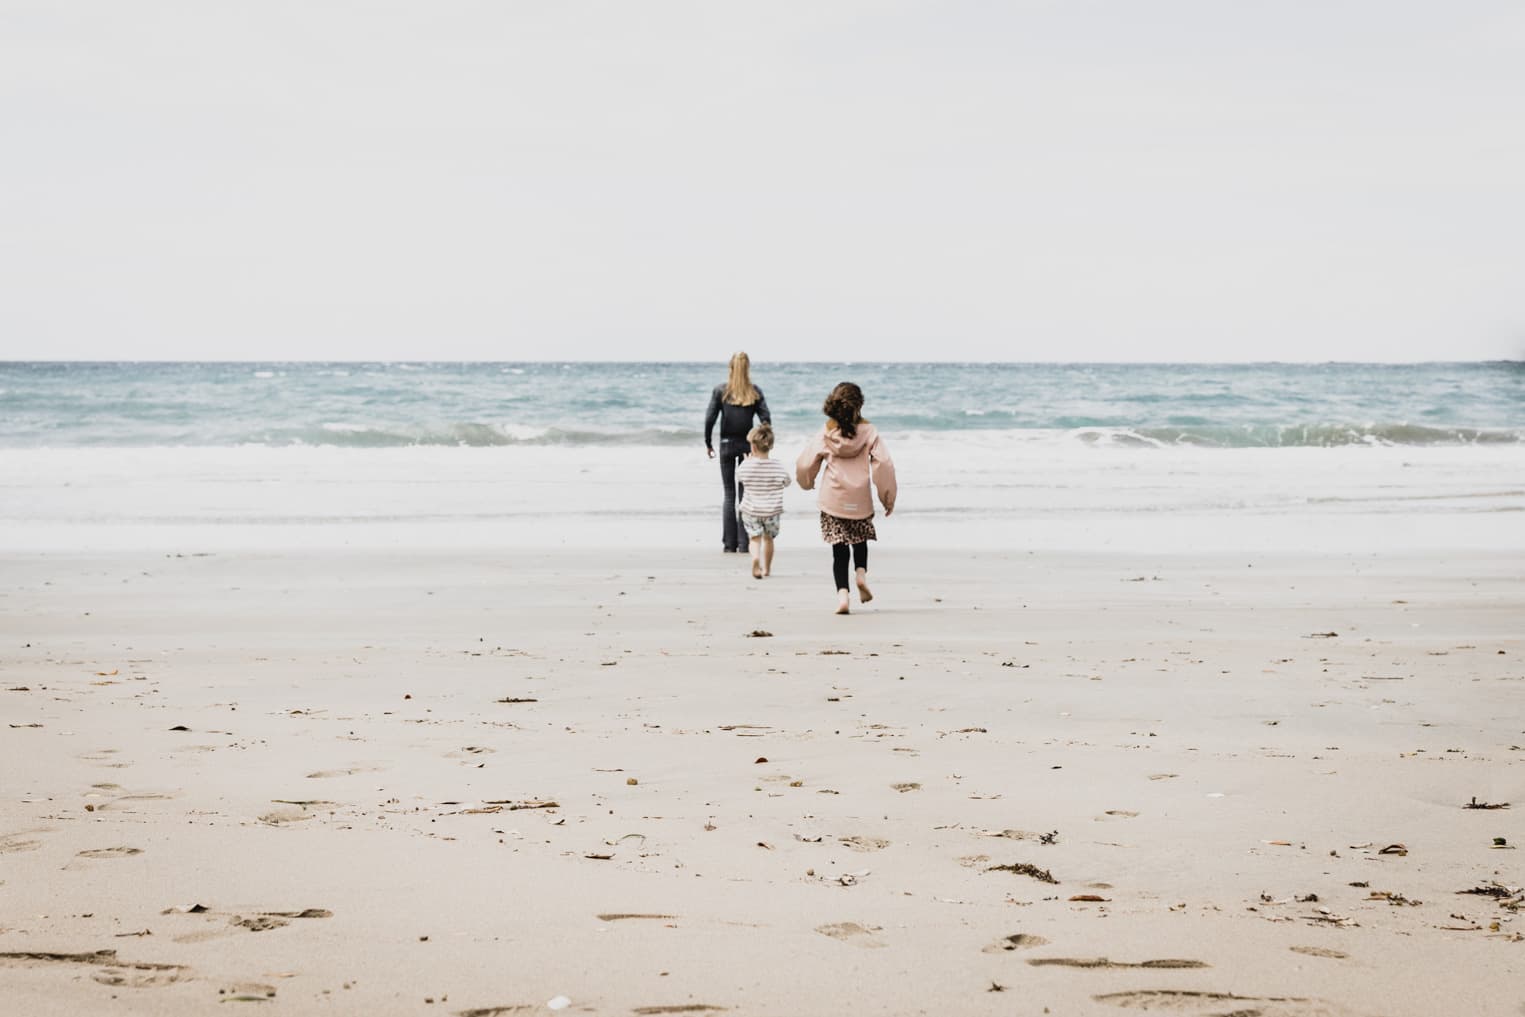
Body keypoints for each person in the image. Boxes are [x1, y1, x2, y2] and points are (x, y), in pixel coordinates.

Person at [796, 382, 896, 614]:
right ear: (859, 405)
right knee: (860, 541)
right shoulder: (869, 432)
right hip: (859, 498)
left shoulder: (826, 432)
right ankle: (860, 575)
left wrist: (807, 481)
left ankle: (843, 596)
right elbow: (884, 465)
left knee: (839, 550)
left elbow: (805, 463)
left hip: (833, 499)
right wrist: (887, 497)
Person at [704, 352, 771, 552]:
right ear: (747, 368)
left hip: (725, 445)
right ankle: (744, 544)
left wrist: (708, 443)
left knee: (728, 494)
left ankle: (729, 544)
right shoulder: (754, 392)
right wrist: (762, 445)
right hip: (747, 447)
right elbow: (766, 419)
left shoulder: (721, 391)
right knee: (744, 496)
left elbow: (710, 419)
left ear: (731, 368)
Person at [735, 422, 791, 579]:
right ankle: (766, 569)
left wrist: (747, 462)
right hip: (772, 511)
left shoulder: (746, 466)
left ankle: (755, 559)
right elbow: (787, 481)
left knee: (754, 538)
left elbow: (739, 478)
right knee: (769, 539)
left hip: (751, 510)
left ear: (752, 447)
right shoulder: (777, 466)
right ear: (770, 446)